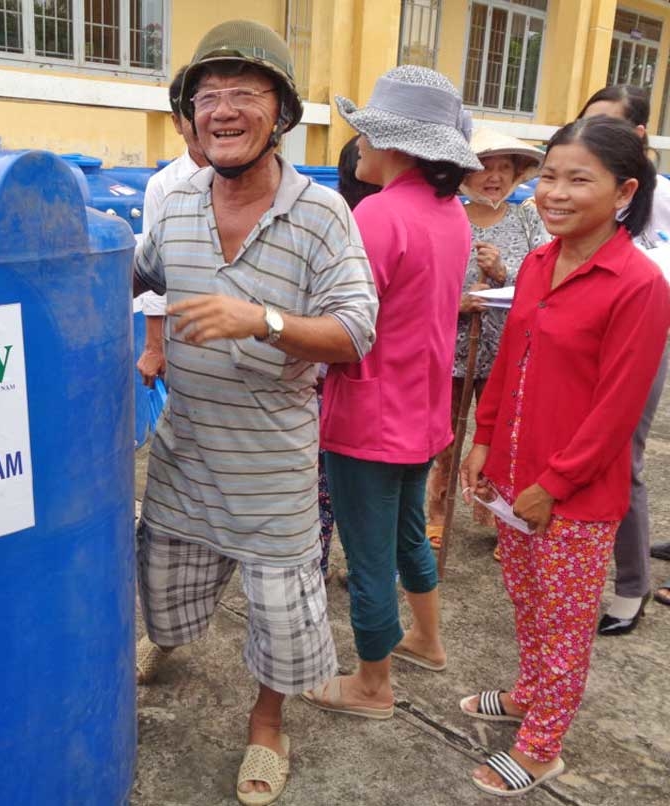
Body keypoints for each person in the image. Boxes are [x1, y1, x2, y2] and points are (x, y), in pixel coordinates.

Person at [132, 20, 378, 806]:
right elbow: (131, 277)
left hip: (271, 468)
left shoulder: (323, 214)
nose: (225, 110)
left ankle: (267, 723)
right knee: (162, 593)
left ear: (280, 112)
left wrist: (261, 319)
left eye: (246, 94)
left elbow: (355, 332)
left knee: (280, 615)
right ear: (190, 115)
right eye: (209, 97)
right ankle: (165, 642)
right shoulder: (171, 205)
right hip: (184, 456)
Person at [459, 115, 670, 796]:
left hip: (573, 496)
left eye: (578, 179)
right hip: (514, 478)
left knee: (566, 621)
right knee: (525, 599)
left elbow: (617, 410)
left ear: (623, 191)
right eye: (549, 175)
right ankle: (528, 694)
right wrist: (483, 441)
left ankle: (544, 745)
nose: (554, 192)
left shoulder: (640, 286)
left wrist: (555, 483)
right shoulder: (540, 264)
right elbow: (511, 357)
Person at [303, 67, 480, 719]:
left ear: (399, 146)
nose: (359, 149)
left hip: (370, 417)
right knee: (408, 536)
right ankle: (427, 640)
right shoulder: (451, 215)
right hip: (423, 412)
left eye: (367, 136)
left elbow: (343, 324)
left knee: (368, 553)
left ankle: (373, 686)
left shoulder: (377, 215)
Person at [575, 85, 670, 636]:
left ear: (637, 137)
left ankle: (630, 586)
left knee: (621, 457)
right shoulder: (574, 187)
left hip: (639, 337)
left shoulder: (658, 199)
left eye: (606, 125)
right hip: (581, 337)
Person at [425, 129, 547, 552]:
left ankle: (503, 520)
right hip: (453, 350)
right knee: (446, 438)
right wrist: (457, 304)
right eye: (484, 169)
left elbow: (547, 280)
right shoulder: (447, 215)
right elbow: (425, 284)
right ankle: (437, 513)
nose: (493, 177)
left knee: (503, 441)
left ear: (516, 175)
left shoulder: (529, 219)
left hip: (509, 352)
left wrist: (501, 275)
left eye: (503, 170)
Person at [316, 135, 381, 582]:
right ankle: (374, 570)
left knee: (320, 487)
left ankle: (314, 567)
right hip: (392, 385)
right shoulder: (443, 214)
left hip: (337, 377)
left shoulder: (348, 223)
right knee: (377, 493)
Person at [136, 65, 209, 387]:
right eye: (189, 115)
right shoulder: (163, 186)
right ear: (177, 123)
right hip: (184, 331)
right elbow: (151, 272)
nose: (202, 122)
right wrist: (154, 346)